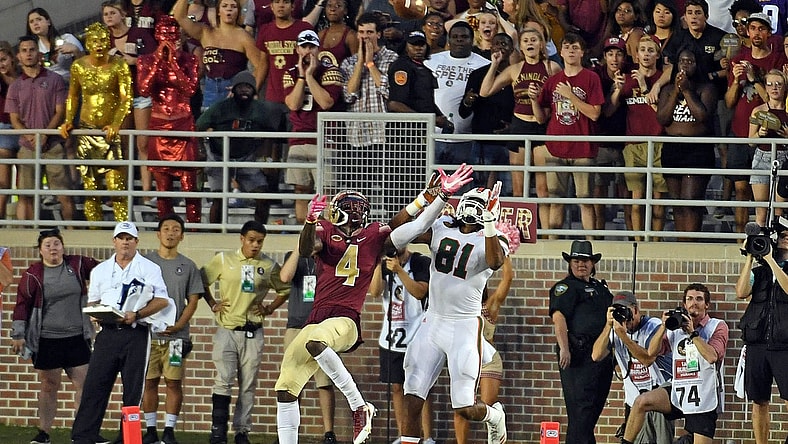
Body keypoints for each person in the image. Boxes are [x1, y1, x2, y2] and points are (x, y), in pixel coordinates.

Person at [274, 187, 413, 444]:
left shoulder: (372, 236)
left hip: (345, 319)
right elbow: (305, 249)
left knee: (316, 341)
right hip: (315, 319)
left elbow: (400, 226)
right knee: (285, 388)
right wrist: (309, 221)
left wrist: (429, 199)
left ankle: (359, 405)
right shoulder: (325, 231)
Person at [387, 166, 509, 444]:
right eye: (474, 203)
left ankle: (494, 416)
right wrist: (427, 199)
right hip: (433, 320)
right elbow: (397, 231)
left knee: (464, 407)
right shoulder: (442, 226)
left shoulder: (493, 237)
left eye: (483, 206)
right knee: (412, 394)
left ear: (492, 212)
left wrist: (489, 223)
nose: (474, 209)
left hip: (464, 327)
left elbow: (494, 262)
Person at [71, 221, 175, 444]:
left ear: (136, 242)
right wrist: (97, 314)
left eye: (130, 238)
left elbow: (162, 300)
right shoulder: (100, 270)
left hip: (136, 333)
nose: (125, 242)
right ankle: (83, 436)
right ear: (114, 241)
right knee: (95, 384)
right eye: (121, 238)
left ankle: (127, 439)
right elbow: (94, 302)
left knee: (133, 390)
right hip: (107, 333)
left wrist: (136, 314)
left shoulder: (149, 268)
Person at [201, 220, 291, 444]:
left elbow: (285, 288)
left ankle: (242, 431)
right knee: (223, 379)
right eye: (251, 240)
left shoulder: (268, 265)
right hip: (227, 329)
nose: (255, 245)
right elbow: (201, 280)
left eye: (259, 241)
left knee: (248, 383)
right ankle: (218, 431)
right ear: (241, 239)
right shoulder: (224, 260)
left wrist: (269, 307)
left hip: (253, 330)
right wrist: (213, 303)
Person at [11, 229, 99, 444]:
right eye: (48, 245)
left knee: (84, 385)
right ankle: (44, 433)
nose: (53, 248)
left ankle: (82, 433)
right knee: (49, 385)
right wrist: (18, 334)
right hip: (47, 340)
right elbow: (22, 305)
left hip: (77, 337)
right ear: (40, 250)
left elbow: (105, 271)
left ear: (63, 247)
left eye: (56, 244)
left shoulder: (77, 265)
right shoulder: (33, 275)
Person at [619, 284, 729, 444]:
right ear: (684, 304)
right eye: (689, 299)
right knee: (641, 401)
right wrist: (663, 327)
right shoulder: (676, 329)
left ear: (707, 305)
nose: (694, 303)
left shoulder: (717, 326)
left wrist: (693, 333)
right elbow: (651, 353)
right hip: (680, 388)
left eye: (699, 299)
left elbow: (712, 357)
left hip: (704, 395)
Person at [479, 27, 560, 220]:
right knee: (518, 188)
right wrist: (494, 64)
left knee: (543, 189)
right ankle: (518, 233)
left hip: (542, 127)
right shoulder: (515, 69)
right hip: (520, 126)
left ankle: (545, 234)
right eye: (526, 41)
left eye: (534, 40)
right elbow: (485, 91)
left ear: (541, 44)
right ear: (520, 47)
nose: (530, 43)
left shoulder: (552, 67)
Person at [59, 23, 133, 223]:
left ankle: (123, 231)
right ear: (88, 44)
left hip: (111, 131)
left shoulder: (119, 65)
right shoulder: (79, 66)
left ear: (108, 42)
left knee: (116, 185)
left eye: (102, 40)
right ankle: (94, 230)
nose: (98, 45)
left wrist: (117, 123)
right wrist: (67, 121)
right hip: (86, 129)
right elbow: (73, 96)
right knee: (90, 187)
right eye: (94, 41)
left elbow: (126, 98)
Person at [454, 220, 519, 444]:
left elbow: (508, 277)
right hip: (464, 358)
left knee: (486, 409)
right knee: (461, 406)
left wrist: (505, 248)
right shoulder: (456, 305)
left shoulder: (488, 306)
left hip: (488, 362)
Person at [141, 214, 204, 444]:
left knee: (173, 382)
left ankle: (169, 430)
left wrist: (179, 325)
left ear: (182, 235)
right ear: (158, 234)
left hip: (176, 336)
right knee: (149, 382)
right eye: (166, 228)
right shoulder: (145, 263)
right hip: (148, 335)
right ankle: (150, 430)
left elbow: (193, 300)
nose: (170, 233)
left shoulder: (188, 266)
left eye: (175, 229)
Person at [533, 33, 604, 237]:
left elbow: (595, 113)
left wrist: (570, 95)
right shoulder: (554, 80)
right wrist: (533, 100)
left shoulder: (591, 78)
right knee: (555, 199)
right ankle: (554, 242)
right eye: (567, 47)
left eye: (575, 47)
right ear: (561, 52)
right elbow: (541, 118)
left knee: (585, 200)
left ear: (582, 52)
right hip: (556, 147)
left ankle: (591, 244)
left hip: (583, 149)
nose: (571, 51)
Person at [137, 15, 202, 224]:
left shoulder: (189, 59)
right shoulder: (145, 60)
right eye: (165, 35)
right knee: (163, 189)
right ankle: (165, 229)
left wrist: (173, 63)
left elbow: (190, 89)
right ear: (157, 36)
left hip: (183, 124)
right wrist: (158, 62)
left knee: (189, 187)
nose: (169, 40)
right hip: (159, 125)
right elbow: (144, 90)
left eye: (173, 36)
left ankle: (193, 230)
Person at [725, 11, 787, 232]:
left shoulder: (777, 60)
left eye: (761, 28)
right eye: (753, 28)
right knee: (741, 188)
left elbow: (774, 98)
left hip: (769, 138)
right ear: (747, 31)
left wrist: (754, 79)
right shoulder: (738, 58)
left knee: (775, 201)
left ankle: (772, 240)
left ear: (769, 32)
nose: (756, 33)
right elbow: (729, 102)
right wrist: (736, 81)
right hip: (741, 131)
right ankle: (743, 238)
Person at [549, 240, 614, 444]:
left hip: (602, 355)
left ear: (593, 264)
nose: (580, 265)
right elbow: (559, 318)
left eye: (585, 261)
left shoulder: (600, 288)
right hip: (578, 354)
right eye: (576, 260)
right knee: (580, 412)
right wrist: (564, 349)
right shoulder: (566, 287)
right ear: (570, 263)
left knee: (593, 410)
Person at [7, 35, 75, 223]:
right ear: (18, 56)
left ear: (38, 53)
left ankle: (70, 231)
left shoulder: (55, 80)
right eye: (24, 50)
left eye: (31, 49)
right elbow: (14, 119)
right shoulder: (15, 87)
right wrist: (31, 136)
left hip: (53, 144)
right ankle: (25, 236)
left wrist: (45, 134)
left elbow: (59, 112)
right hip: (27, 146)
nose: (28, 54)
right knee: (25, 195)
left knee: (64, 195)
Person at [195, 70, 279, 224]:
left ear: (254, 90)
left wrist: (266, 157)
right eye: (240, 87)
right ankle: (215, 234)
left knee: (263, 195)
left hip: (246, 157)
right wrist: (201, 151)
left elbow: (271, 132)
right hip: (218, 156)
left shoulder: (261, 109)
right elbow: (199, 126)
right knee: (219, 198)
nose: (244, 90)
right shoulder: (220, 107)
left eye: (248, 87)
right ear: (233, 89)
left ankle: (258, 230)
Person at [591, 291, 674, 444]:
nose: (624, 317)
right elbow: (596, 355)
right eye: (618, 311)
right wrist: (608, 326)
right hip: (634, 401)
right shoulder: (615, 330)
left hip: (658, 397)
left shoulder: (653, 326)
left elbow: (647, 359)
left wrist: (623, 336)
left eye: (625, 311)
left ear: (635, 310)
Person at [369, 247, 433, 443]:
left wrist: (400, 271)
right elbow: (374, 292)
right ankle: (403, 434)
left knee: (422, 389)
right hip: (392, 336)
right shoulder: (385, 264)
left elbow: (420, 292)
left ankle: (427, 436)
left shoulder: (420, 262)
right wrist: (378, 264)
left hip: (417, 334)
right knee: (397, 387)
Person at [657, 46, 718, 236]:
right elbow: (662, 119)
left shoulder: (707, 89)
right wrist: (676, 92)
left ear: (697, 65)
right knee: (677, 203)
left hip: (697, 149)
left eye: (690, 61)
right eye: (682, 61)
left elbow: (703, 116)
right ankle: (681, 243)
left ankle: (691, 244)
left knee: (690, 201)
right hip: (672, 148)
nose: (685, 65)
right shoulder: (667, 90)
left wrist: (687, 92)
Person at [609, 35, 667, 237]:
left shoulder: (662, 78)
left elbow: (662, 113)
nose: (646, 54)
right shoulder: (625, 77)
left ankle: (656, 242)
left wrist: (644, 86)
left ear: (658, 55)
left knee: (658, 203)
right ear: (636, 53)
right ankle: (637, 242)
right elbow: (608, 111)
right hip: (633, 144)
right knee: (636, 202)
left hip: (658, 143)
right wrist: (616, 91)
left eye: (651, 50)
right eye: (642, 50)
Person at [279, 250, 338, 444]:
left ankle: (329, 433)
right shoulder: (295, 257)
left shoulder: (331, 257)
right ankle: (289, 431)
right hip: (296, 326)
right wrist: (299, 248)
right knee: (291, 382)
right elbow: (285, 277)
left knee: (324, 381)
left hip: (321, 326)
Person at [735, 225, 788, 444]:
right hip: (757, 343)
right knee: (759, 400)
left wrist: (772, 261)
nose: (785, 239)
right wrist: (750, 257)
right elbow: (741, 292)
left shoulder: (775, 268)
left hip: (784, 345)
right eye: (783, 236)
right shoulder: (761, 271)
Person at [284, 29, 343, 224]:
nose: (308, 50)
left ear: (319, 49)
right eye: (304, 46)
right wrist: (301, 77)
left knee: (326, 191)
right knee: (301, 189)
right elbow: (293, 104)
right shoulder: (290, 73)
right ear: (297, 49)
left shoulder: (331, 71)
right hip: (299, 139)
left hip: (324, 140)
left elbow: (326, 102)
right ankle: (304, 232)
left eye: (312, 46)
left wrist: (310, 76)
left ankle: (325, 231)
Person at [424, 21, 490, 171]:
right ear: (448, 40)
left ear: (472, 40)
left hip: (466, 138)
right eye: (455, 36)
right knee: (431, 186)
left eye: (464, 37)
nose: (459, 40)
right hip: (433, 136)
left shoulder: (485, 65)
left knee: (460, 186)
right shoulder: (431, 61)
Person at [173, 0, 262, 111]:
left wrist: (248, 87)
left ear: (238, 12)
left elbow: (260, 66)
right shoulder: (206, 33)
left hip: (233, 92)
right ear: (218, 11)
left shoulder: (244, 37)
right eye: (225, 6)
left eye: (233, 7)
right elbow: (179, 17)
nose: (229, 9)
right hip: (210, 91)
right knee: (207, 126)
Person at [460, 32, 515, 195]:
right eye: (497, 44)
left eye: (504, 44)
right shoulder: (478, 75)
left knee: (506, 193)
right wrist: (468, 101)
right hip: (483, 142)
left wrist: (513, 127)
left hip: (510, 143)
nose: (500, 47)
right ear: (491, 48)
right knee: (480, 191)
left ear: (512, 49)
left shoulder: (518, 74)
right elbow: (463, 112)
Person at [748, 69, 788, 225]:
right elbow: (750, 141)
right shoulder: (758, 111)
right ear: (765, 87)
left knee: (779, 211)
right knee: (761, 212)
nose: (774, 88)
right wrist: (760, 134)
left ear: (785, 86)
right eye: (770, 84)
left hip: (784, 158)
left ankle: (779, 245)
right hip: (762, 157)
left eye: (778, 84)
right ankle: (760, 246)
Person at [25, 8, 84, 83]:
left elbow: (85, 62)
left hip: (75, 83)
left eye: (39, 19)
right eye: (31, 22)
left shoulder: (67, 38)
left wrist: (76, 50)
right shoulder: (34, 49)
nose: (35, 23)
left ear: (48, 22)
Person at [0, 40, 19, 221]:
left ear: (12, 58)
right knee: (3, 182)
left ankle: (25, 223)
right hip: (4, 129)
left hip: (24, 129)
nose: (2, 65)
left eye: (4, 59)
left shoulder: (24, 77)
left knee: (24, 182)